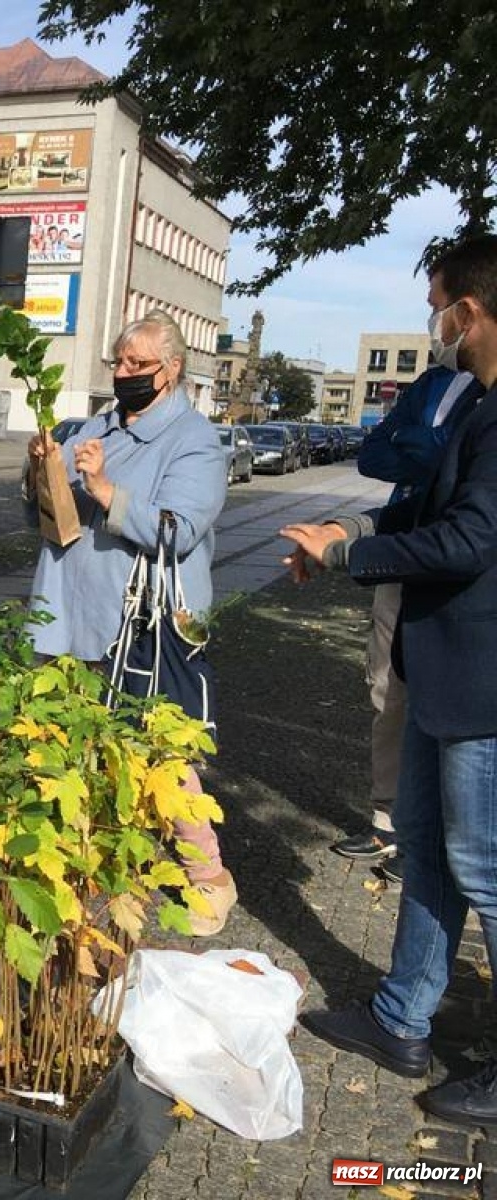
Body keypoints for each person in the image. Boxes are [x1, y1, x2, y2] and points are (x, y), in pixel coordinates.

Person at [282, 234, 497, 1125]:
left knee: (485, 868)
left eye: (438, 304)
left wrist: (354, 554)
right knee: (426, 846)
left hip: (483, 686)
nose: (432, 323)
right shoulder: (476, 406)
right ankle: (402, 1017)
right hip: (440, 668)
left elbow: (471, 538)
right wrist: (345, 532)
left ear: (471, 312)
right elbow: (422, 506)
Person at [26, 309, 236, 936]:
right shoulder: (99, 423)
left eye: (137, 365)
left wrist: (107, 489)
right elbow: (48, 501)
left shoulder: (195, 441)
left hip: (145, 624)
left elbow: (179, 528)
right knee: (81, 741)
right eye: (118, 362)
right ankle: (102, 862)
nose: (123, 374)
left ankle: (209, 880)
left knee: (164, 756)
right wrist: (46, 466)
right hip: (75, 610)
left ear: (170, 370)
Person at [329, 364, 483, 883]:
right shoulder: (431, 382)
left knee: (451, 697)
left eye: (437, 301)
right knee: (387, 685)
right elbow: (373, 454)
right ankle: (388, 820)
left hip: (461, 563)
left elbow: (456, 462)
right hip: (404, 548)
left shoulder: (486, 385)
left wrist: (417, 443)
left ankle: (442, 833)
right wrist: (434, 448)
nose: (430, 312)